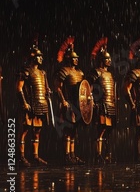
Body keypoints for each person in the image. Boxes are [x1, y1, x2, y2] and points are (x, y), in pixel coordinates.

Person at [16, 42, 51, 166]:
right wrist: (24, 103)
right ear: (33, 57)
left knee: (37, 131)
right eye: (39, 56)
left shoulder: (42, 73)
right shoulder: (26, 71)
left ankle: (35, 156)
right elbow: (19, 88)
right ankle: (21, 157)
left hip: (40, 104)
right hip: (29, 104)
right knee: (24, 130)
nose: (41, 58)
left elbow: (44, 88)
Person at [54, 36, 86, 165]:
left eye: (77, 58)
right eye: (74, 58)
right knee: (67, 130)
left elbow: (84, 90)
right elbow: (57, 88)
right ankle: (66, 155)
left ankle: (73, 154)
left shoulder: (80, 73)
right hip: (68, 104)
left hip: (78, 104)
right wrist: (63, 101)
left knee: (74, 131)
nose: (76, 60)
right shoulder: (64, 71)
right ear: (69, 58)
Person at [87, 37, 116, 164]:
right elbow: (88, 87)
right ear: (102, 60)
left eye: (109, 58)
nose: (109, 60)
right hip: (101, 104)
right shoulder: (96, 72)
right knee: (101, 129)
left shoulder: (109, 74)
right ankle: (98, 155)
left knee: (108, 130)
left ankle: (107, 154)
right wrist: (91, 100)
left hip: (110, 104)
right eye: (107, 59)